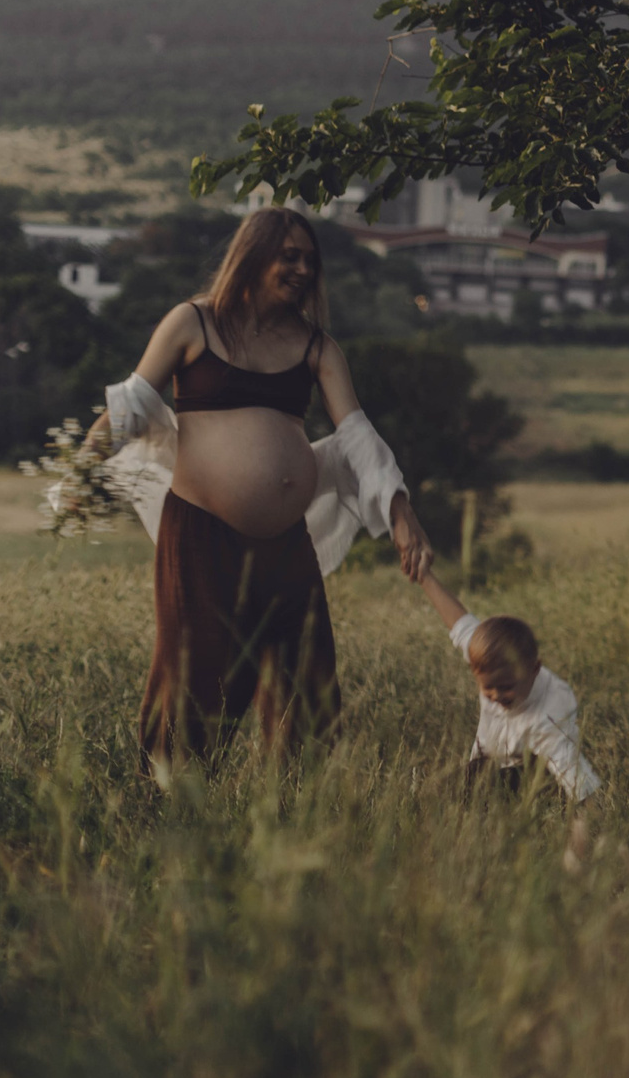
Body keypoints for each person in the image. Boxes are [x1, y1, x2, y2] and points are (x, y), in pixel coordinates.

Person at [95, 207, 435, 767]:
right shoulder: (193, 323)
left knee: (308, 672)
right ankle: (174, 797)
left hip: (284, 542)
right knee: (196, 667)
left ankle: (295, 805)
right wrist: (83, 465)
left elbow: (357, 435)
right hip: (201, 532)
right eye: (289, 256)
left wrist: (400, 510)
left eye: (310, 259)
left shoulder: (316, 347)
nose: (303, 268)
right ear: (253, 256)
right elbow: (130, 404)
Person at [411, 564, 602, 801]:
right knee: (435, 791)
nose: (496, 695)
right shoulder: (490, 662)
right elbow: (459, 623)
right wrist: (424, 575)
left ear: (534, 670)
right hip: (488, 767)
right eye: (487, 687)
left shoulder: (549, 712)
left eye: (506, 687)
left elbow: (577, 779)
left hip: (536, 781)